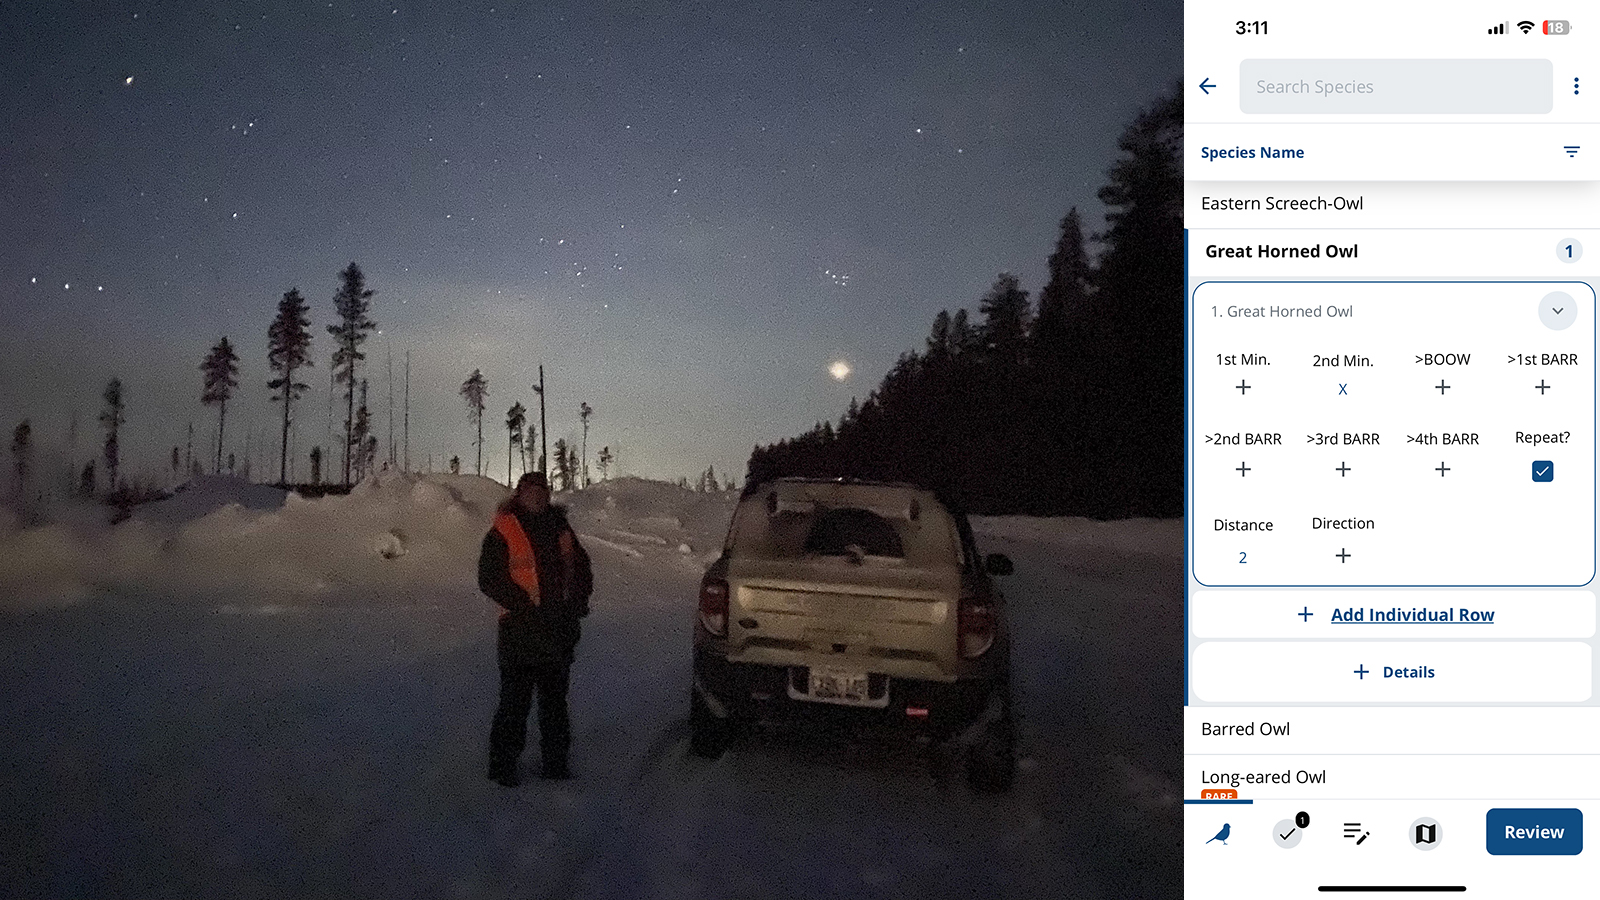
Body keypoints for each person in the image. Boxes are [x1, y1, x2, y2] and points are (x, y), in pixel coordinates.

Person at [478, 471, 591, 786]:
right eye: (532, 490)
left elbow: (581, 569)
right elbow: (489, 577)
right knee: (514, 704)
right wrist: (522, 605)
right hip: (520, 632)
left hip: (557, 632)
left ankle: (555, 765)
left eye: (544, 490)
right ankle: (503, 770)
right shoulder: (504, 529)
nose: (539, 496)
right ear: (520, 493)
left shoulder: (561, 528)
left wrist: (577, 604)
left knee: (555, 706)